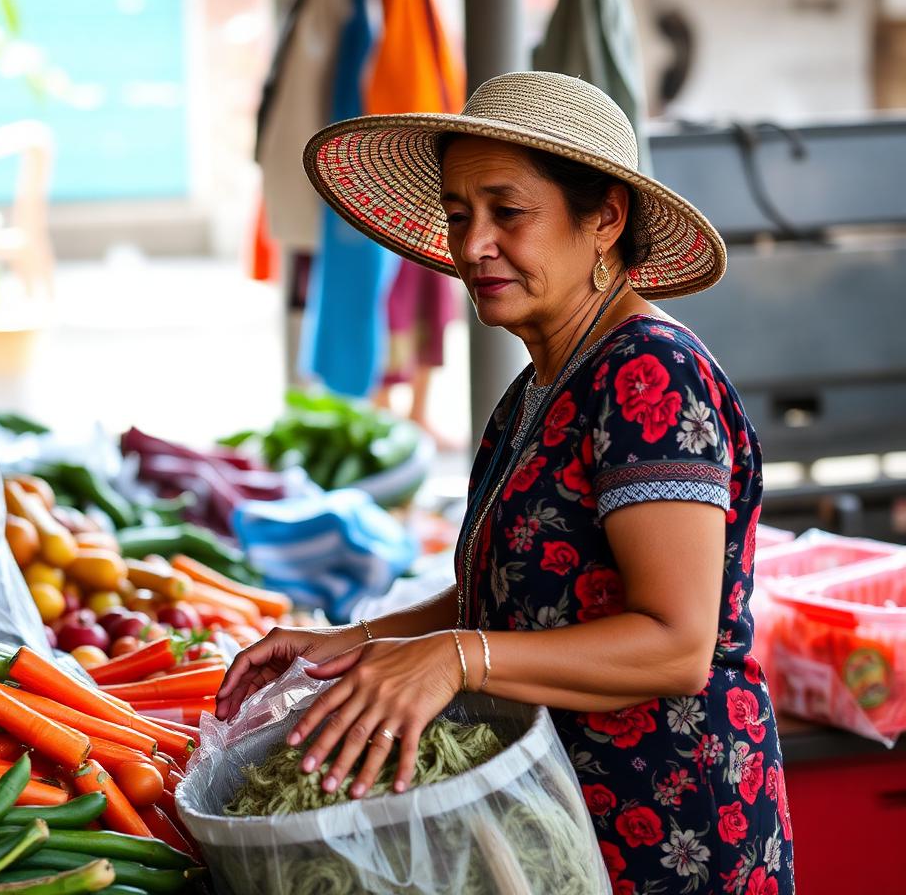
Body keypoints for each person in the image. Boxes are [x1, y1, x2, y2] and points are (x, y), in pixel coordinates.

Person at [216, 71, 793, 894]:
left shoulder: (650, 376)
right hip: (566, 811)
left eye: (507, 212)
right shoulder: (540, 387)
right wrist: (352, 643)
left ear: (605, 218)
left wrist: (456, 658)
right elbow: (515, 596)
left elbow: (676, 644)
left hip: (670, 824)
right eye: (458, 215)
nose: (473, 244)